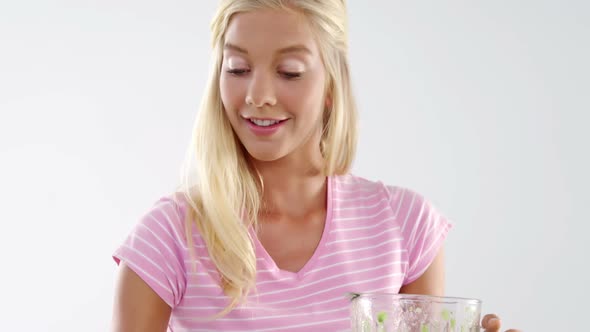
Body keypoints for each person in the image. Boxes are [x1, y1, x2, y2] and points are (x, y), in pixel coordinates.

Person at [111, 1, 519, 331]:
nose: (258, 95)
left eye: (289, 72)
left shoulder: (404, 226)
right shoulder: (169, 236)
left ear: (331, 85)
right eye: (238, 69)